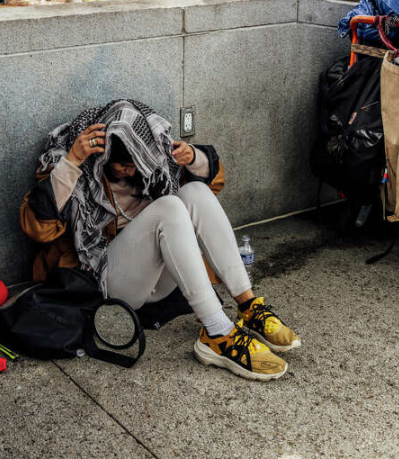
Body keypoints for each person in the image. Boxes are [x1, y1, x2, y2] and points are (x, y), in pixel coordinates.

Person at [20, 99, 301, 381]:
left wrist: (193, 156)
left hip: (159, 281)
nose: (128, 170)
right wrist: (72, 162)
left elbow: (213, 185)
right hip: (105, 283)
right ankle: (218, 332)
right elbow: (37, 228)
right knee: (169, 207)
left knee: (195, 192)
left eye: (134, 163)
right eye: (120, 164)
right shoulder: (73, 166)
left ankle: (249, 305)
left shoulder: (153, 164)